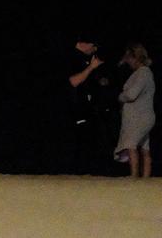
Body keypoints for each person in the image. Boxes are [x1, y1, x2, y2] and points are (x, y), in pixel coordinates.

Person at [65, 34, 108, 174]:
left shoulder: (83, 58)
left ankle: (88, 171)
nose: (95, 51)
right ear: (87, 43)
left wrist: (99, 80)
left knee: (92, 139)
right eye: (94, 47)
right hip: (72, 110)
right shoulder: (71, 57)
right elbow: (73, 82)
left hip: (85, 109)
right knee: (79, 142)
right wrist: (91, 68)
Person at [114, 43, 156, 177]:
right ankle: (145, 179)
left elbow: (131, 95)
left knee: (131, 145)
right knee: (144, 147)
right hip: (144, 115)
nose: (127, 62)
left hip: (139, 117)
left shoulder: (143, 73)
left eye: (129, 59)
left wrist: (120, 96)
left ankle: (133, 176)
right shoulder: (145, 73)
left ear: (135, 58)